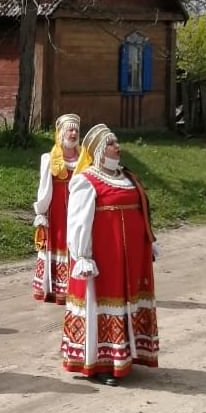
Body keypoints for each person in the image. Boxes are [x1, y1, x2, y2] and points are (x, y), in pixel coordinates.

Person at [61, 124, 159, 387]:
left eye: (116, 141)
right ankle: (101, 364)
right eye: (112, 143)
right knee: (103, 302)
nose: (117, 146)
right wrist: (82, 255)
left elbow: (142, 210)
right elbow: (78, 221)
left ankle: (124, 357)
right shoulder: (87, 180)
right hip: (105, 258)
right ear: (100, 151)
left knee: (130, 300)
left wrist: (149, 239)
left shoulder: (127, 177)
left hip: (132, 257)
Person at [32, 114, 81, 304]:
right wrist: (41, 212)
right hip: (58, 213)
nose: (73, 133)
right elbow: (45, 188)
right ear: (61, 133)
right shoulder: (50, 159)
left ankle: (75, 287)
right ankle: (55, 289)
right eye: (70, 129)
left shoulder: (84, 160)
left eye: (76, 129)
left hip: (77, 213)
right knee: (59, 244)